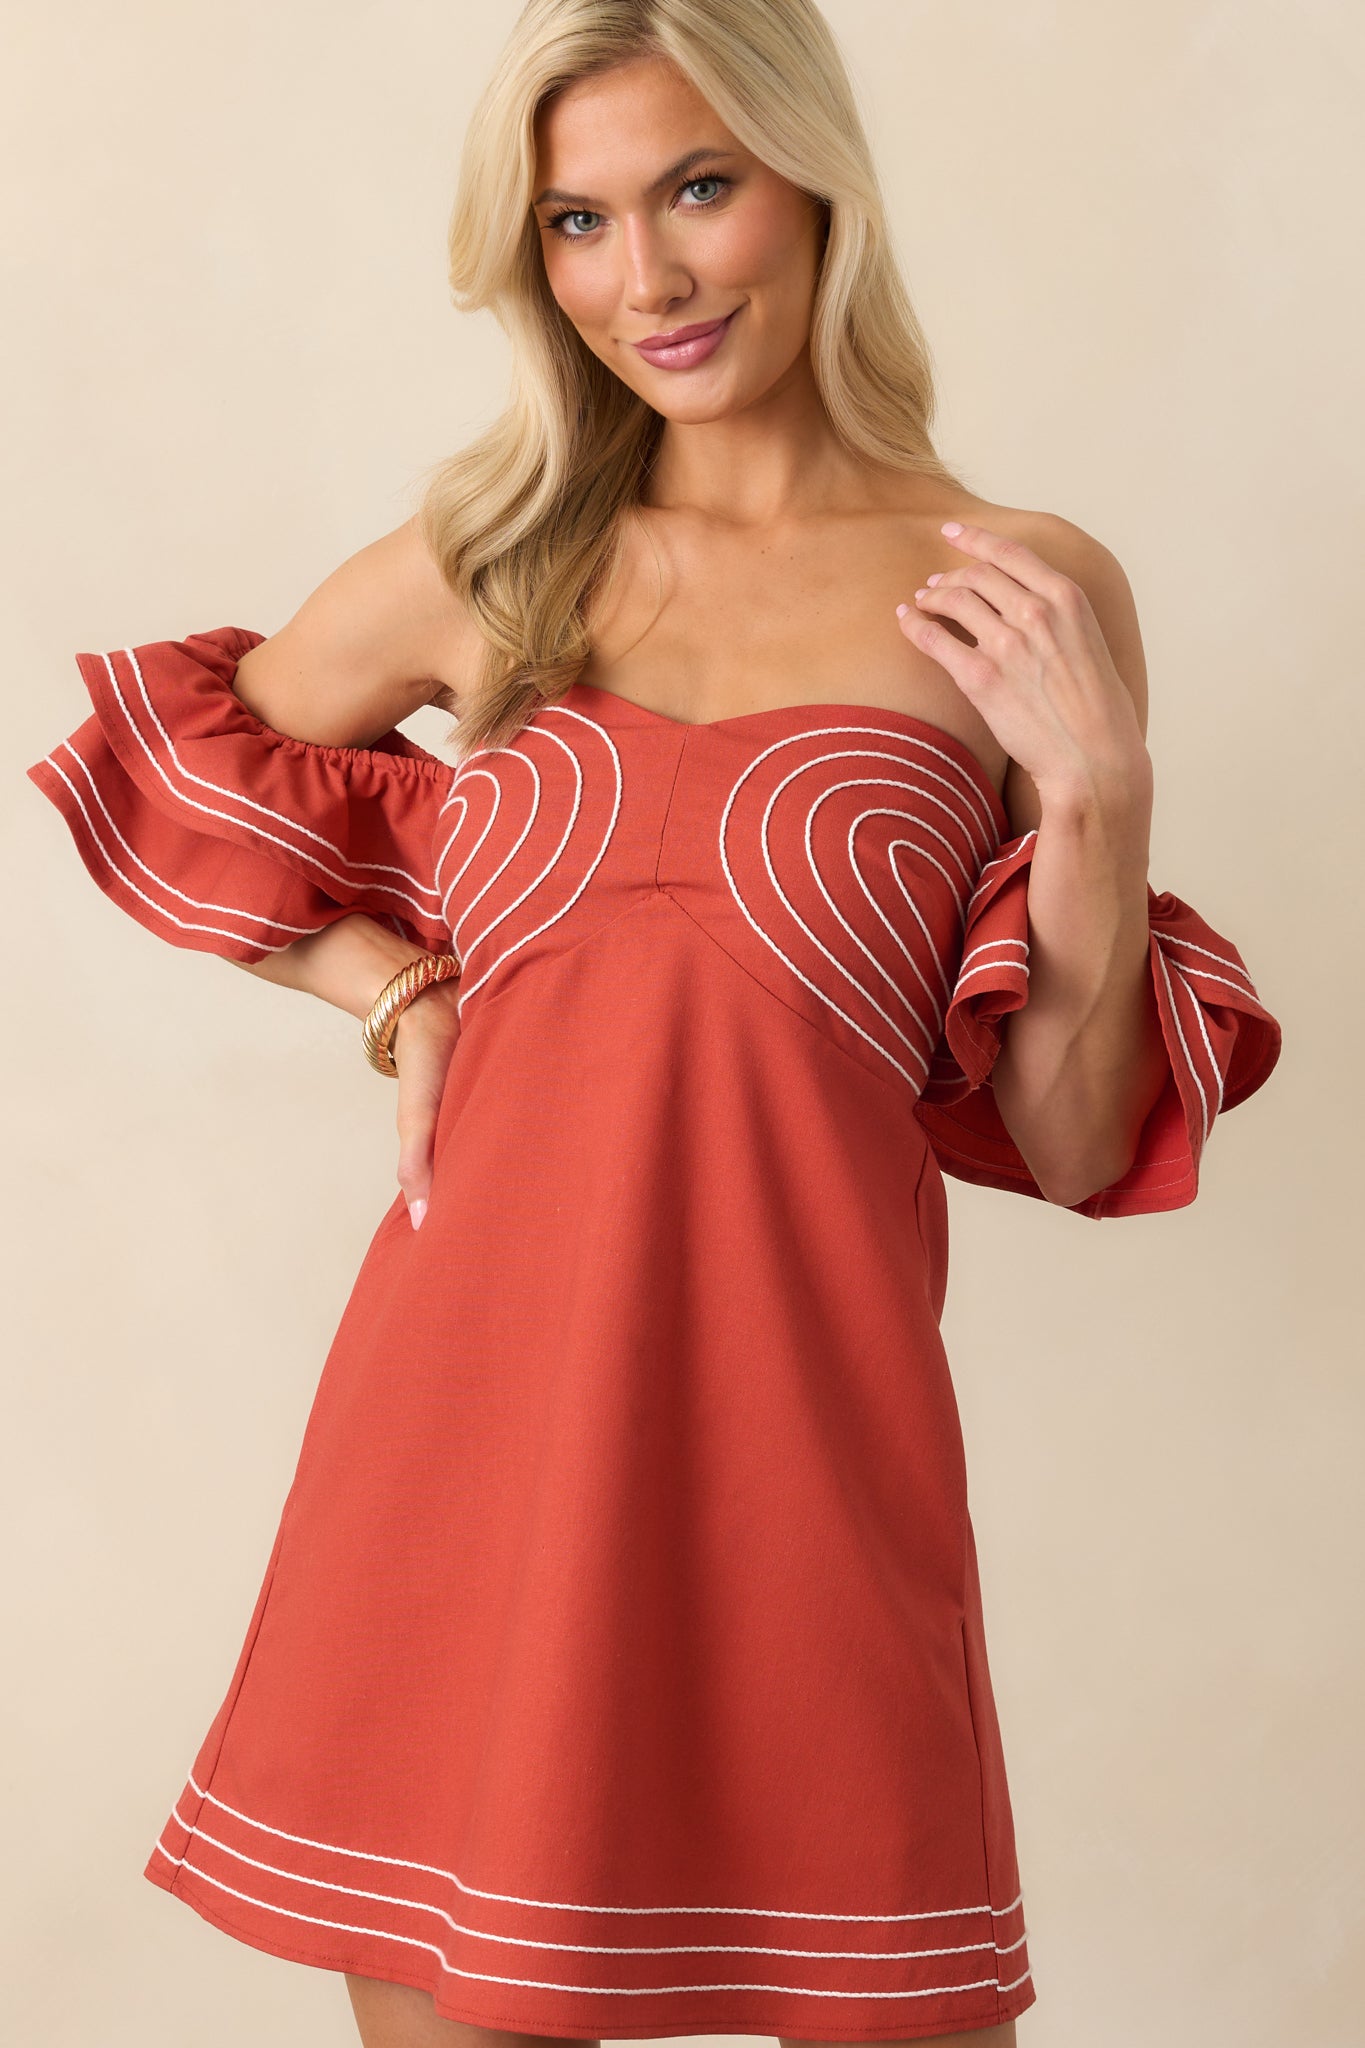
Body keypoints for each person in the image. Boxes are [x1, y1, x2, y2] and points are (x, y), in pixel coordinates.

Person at [25, 1, 1283, 2044]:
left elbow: (1071, 1136)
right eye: (577, 222)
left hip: (814, 1476)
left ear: (814, 185)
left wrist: (1103, 798)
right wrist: (390, 989)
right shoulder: (495, 562)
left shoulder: (1016, 591)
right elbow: (177, 766)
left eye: (697, 189)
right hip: (461, 1455)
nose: (647, 279)